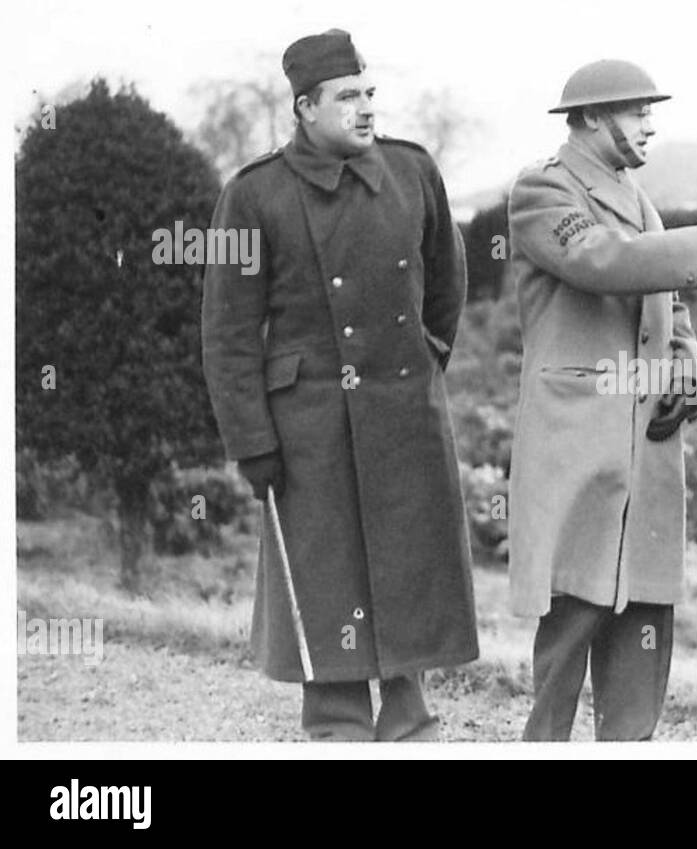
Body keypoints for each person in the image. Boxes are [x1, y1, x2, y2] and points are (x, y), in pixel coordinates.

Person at [201, 29, 477, 741]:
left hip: (403, 409)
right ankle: (338, 720)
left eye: (369, 93)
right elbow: (229, 332)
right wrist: (251, 441)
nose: (365, 108)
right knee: (330, 574)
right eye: (347, 97)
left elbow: (448, 281)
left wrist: (421, 359)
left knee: (409, 559)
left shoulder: (413, 172)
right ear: (305, 108)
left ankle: (410, 712)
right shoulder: (253, 194)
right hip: (310, 425)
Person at [507, 59, 697, 741]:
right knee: (572, 616)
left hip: (646, 444)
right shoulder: (543, 190)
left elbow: (668, 301)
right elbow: (604, 261)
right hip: (580, 436)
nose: (650, 124)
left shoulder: (636, 195)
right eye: (636, 112)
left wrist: (688, 365)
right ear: (591, 117)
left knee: (643, 621)